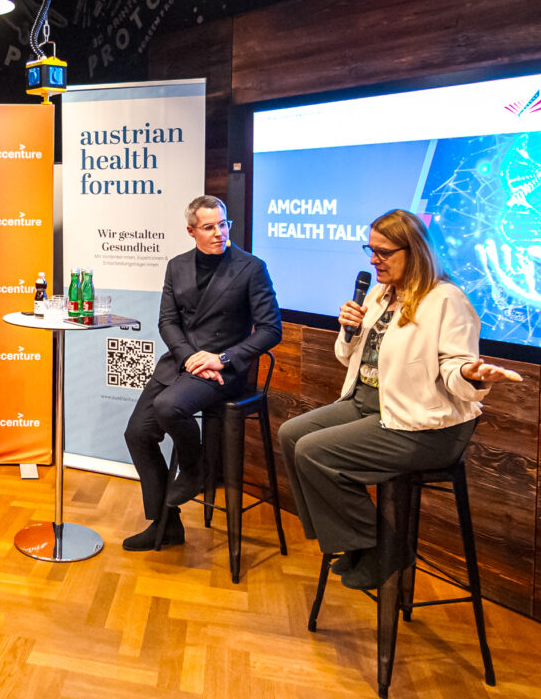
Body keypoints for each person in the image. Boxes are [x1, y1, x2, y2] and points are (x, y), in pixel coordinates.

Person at [276, 210, 520, 591]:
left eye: (383, 252)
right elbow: (347, 356)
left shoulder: (446, 300)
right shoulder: (379, 294)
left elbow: (454, 366)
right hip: (369, 401)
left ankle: (384, 549)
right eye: (370, 250)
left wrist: (471, 374)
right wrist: (349, 330)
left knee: (314, 451)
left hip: (423, 423)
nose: (374, 260)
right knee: (291, 435)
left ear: (415, 251)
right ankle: (352, 543)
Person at [120, 196, 282, 552]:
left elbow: (271, 330)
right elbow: (167, 321)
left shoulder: (251, 268)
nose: (219, 233)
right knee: (137, 433)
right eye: (209, 227)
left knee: (169, 407)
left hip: (225, 371)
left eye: (223, 224)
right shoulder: (177, 266)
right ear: (191, 231)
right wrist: (191, 357)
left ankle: (195, 469)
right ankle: (166, 524)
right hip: (183, 363)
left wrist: (223, 358)